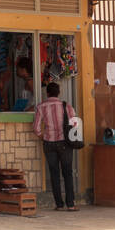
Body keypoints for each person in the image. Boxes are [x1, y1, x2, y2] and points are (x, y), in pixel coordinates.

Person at [34, 81, 76, 211]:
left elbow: (36, 128)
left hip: (49, 143)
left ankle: (59, 204)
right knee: (67, 173)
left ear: (47, 93)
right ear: (59, 93)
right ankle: (71, 204)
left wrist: (43, 136)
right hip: (64, 143)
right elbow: (75, 124)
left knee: (54, 174)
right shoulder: (66, 106)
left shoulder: (41, 107)